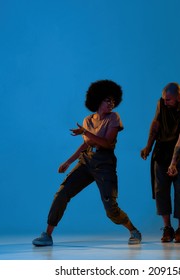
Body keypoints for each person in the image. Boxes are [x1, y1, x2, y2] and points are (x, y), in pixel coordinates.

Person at [33, 79, 142, 246]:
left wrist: (85, 132)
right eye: (107, 100)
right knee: (62, 193)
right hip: (86, 161)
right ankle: (47, 235)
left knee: (111, 208)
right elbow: (86, 144)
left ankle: (133, 230)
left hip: (105, 163)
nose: (111, 104)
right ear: (98, 100)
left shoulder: (114, 118)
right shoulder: (88, 120)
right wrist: (68, 162)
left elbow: (106, 143)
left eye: (113, 101)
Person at [140, 82, 180, 243]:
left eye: (168, 99)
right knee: (161, 190)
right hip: (161, 151)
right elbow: (156, 124)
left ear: (179, 97)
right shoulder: (162, 102)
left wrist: (174, 163)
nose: (165, 101)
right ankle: (167, 228)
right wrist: (148, 145)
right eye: (164, 99)